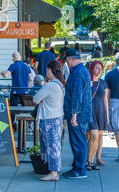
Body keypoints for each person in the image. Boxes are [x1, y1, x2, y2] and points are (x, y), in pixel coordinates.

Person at [33, 60, 66, 181]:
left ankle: (53, 172)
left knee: (50, 145)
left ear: (49, 70)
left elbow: (36, 99)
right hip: (57, 117)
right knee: (55, 145)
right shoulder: (60, 84)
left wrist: (42, 99)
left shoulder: (50, 85)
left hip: (48, 118)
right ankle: (53, 171)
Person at [62, 48, 93, 179]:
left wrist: (74, 115)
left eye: (66, 61)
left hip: (78, 115)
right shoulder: (81, 71)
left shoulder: (77, 73)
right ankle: (77, 167)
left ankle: (79, 170)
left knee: (78, 142)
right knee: (78, 141)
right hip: (81, 113)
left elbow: (76, 95)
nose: (66, 64)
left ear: (69, 59)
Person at [86, 60, 109, 170]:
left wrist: (107, 115)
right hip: (89, 112)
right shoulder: (87, 81)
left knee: (96, 137)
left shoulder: (103, 83)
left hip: (100, 112)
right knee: (93, 135)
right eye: (96, 68)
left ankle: (90, 160)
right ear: (92, 69)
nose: (99, 70)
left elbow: (105, 100)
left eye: (101, 68)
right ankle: (87, 160)